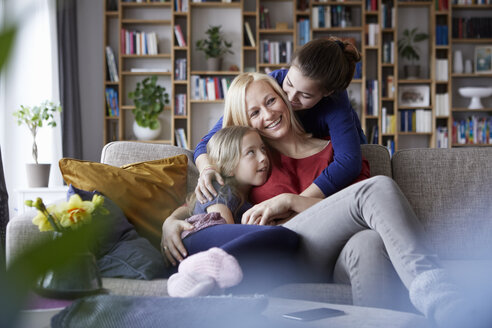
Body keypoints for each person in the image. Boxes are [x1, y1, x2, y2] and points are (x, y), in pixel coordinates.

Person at [164, 72, 477, 328]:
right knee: (376, 188)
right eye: (255, 112)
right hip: (289, 251)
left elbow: (371, 216)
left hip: (340, 255)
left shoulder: (335, 152)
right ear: (244, 123)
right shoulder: (254, 162)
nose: (269, 113)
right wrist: (170, 221)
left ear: (285, 97)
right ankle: (444, 300)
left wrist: (291, 201)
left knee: (368, 242)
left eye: (271, 101)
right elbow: (209, 197)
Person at [194, 37, 366, 204]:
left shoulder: (335, 100)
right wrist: (207, 169)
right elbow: (206, 143)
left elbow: (349, 161)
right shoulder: (273, 83)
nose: (290, 97)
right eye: (289, 84)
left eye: (305, 95)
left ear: (327, 93)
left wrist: (295, 203)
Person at [165, 126, 300, 297]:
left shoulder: (246, 200)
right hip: (194, 241)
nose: (263, 158)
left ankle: (200, 281)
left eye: (263, 149)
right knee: (286, 237)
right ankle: (188, 271)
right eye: (251, 152)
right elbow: (223, 227)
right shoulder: (218, 186)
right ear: (229, 167)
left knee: (284, 259)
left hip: (205, 250)